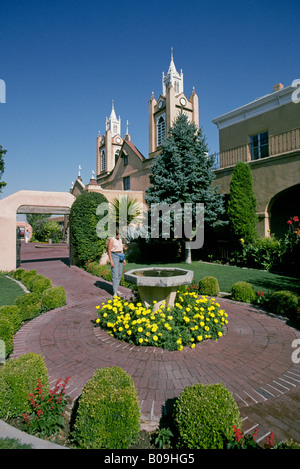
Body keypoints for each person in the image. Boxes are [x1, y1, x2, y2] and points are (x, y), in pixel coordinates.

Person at [108, 229, 126, 297]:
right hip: (114, 256)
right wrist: (111, 260)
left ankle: (116, 289)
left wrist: (124, 259)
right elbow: (109, 251)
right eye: (118, 234)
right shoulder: (112, 240)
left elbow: (121, 249)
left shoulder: (120, 239)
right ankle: (115, 292)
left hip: (120, 256)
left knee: (119, 274)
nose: (119, 236)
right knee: (115, 274)